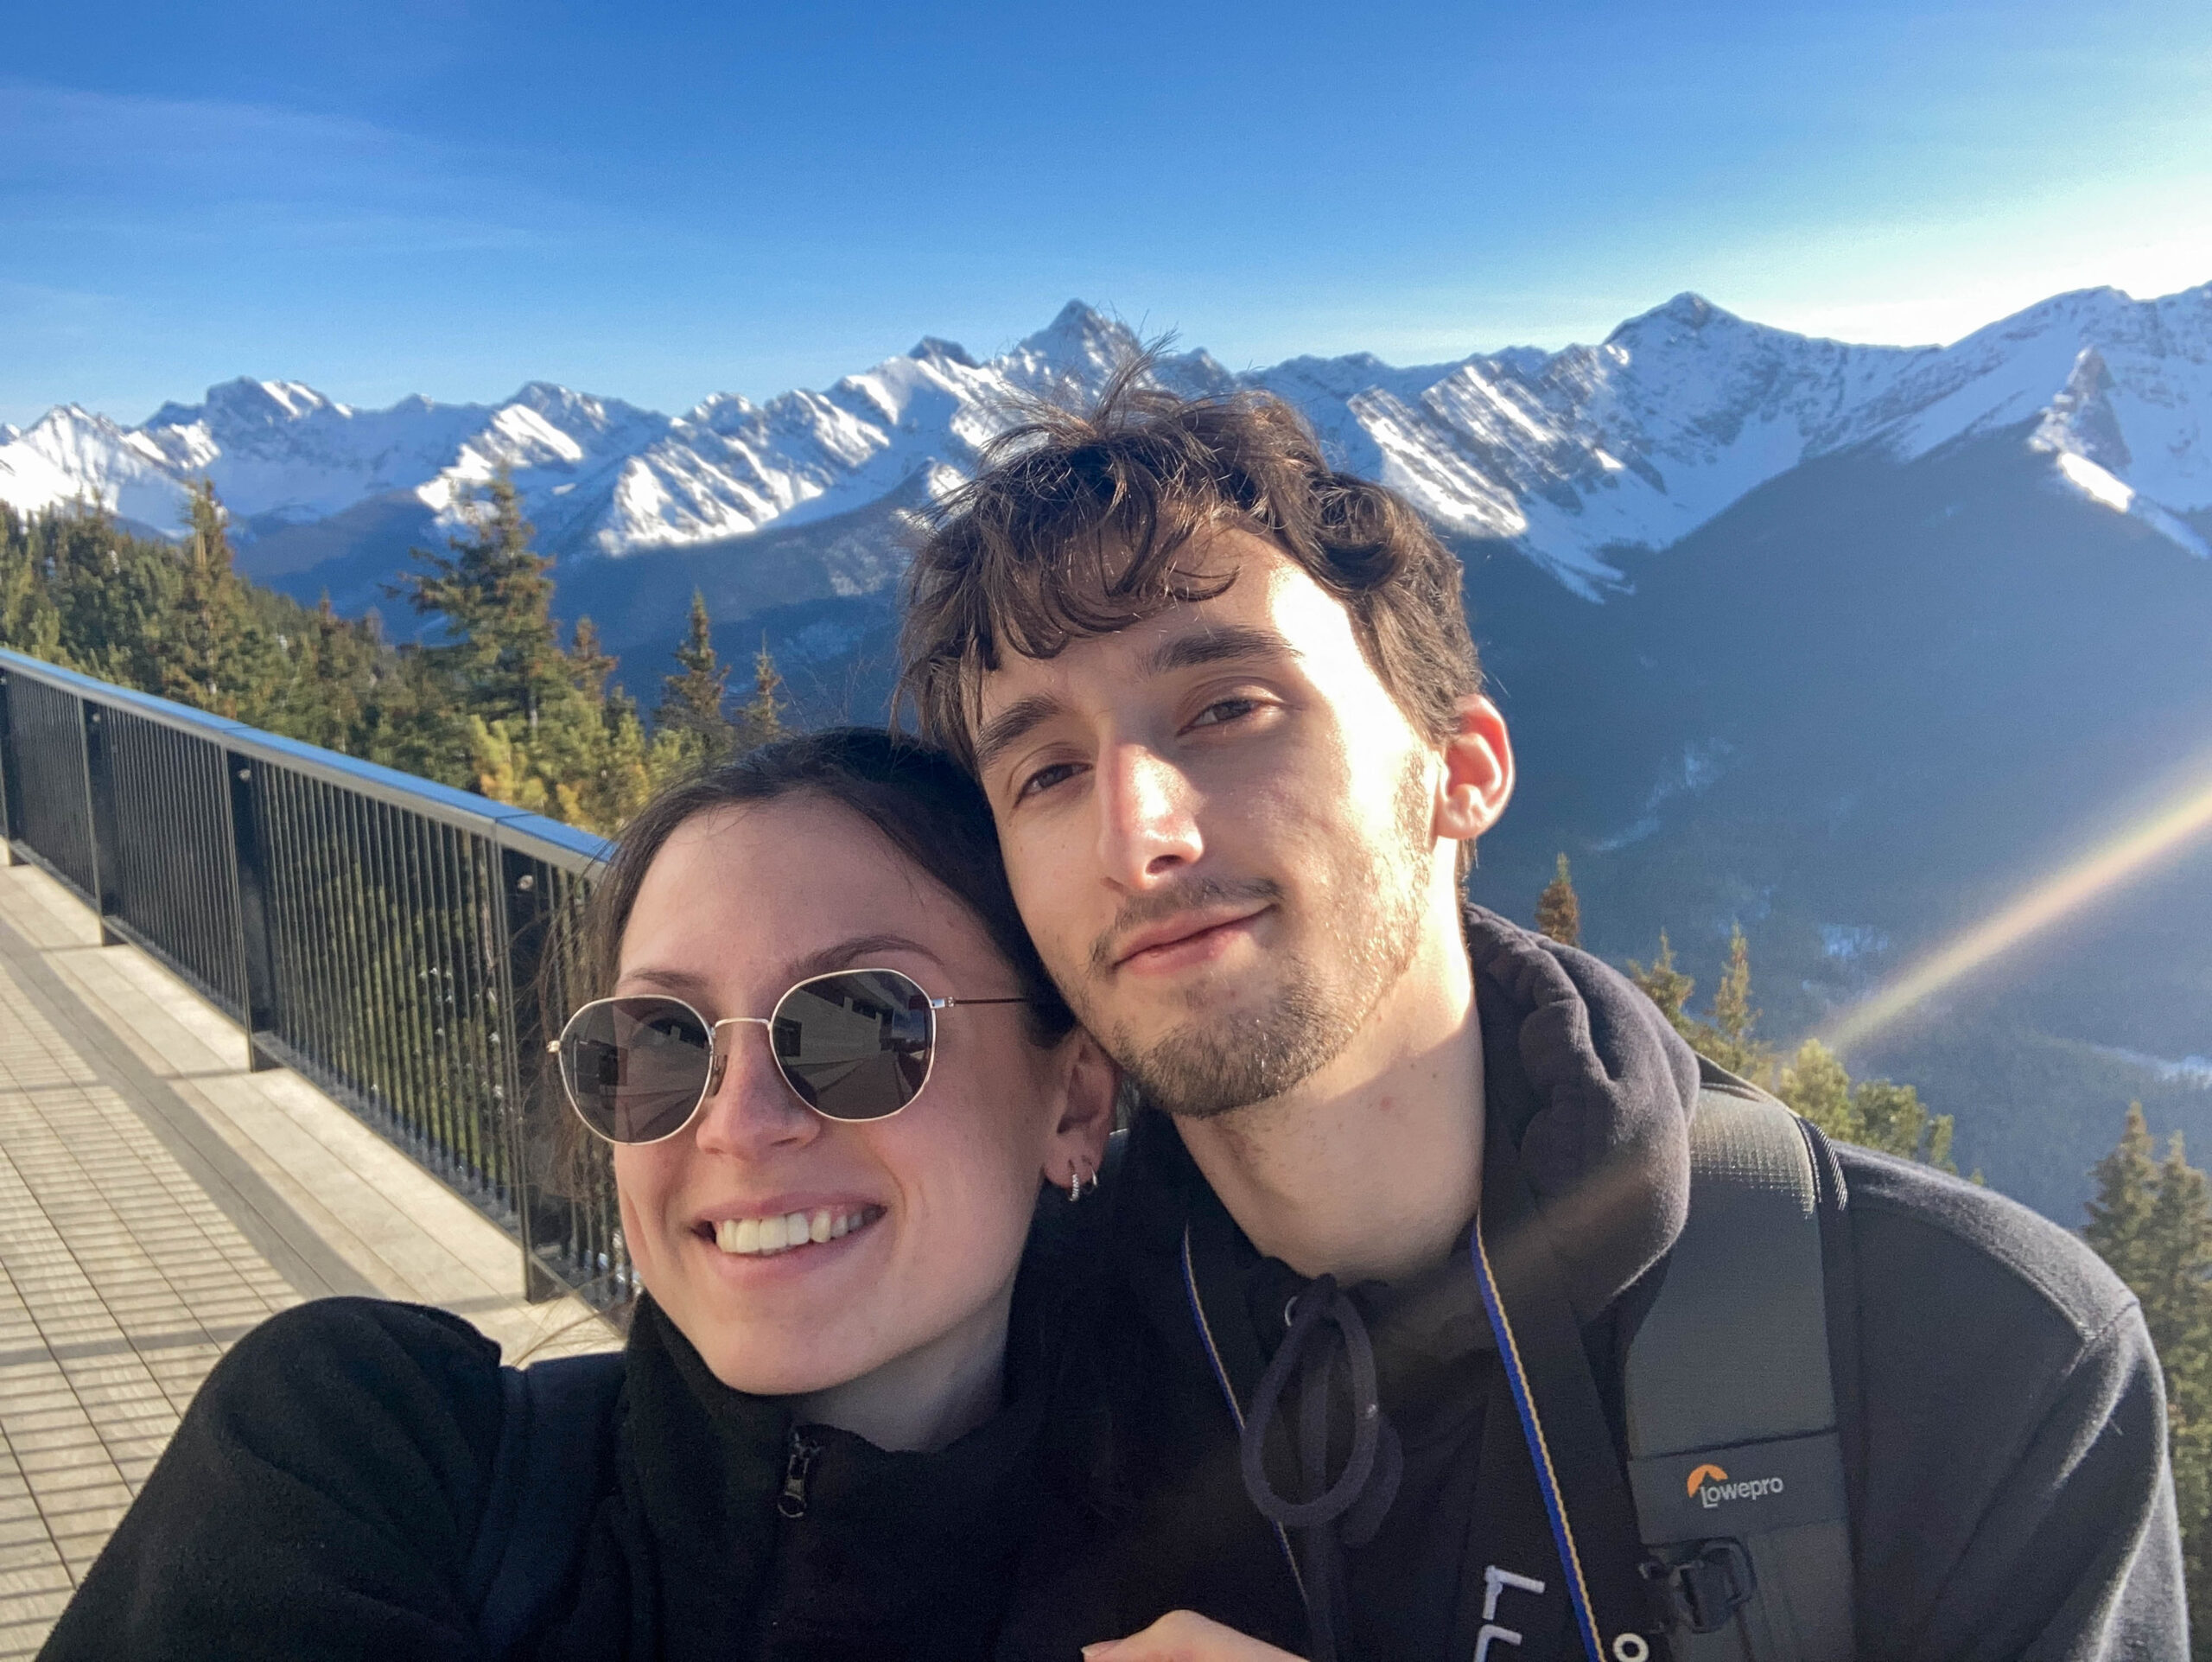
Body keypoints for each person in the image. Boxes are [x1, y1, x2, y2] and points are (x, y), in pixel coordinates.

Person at [899, 373, 2186, 1661]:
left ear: (1459, 773)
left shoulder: (1968, 1356)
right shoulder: (1006, 1362)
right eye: (1048, 770)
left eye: (1231, 707)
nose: (1139, 837)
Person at [39, 728, 1116, 1661]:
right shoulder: (353, 1455)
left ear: (1071, 1100)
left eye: (857, 1026)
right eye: (659, 1044)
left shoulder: (1230, 1577)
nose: (738, 1122)